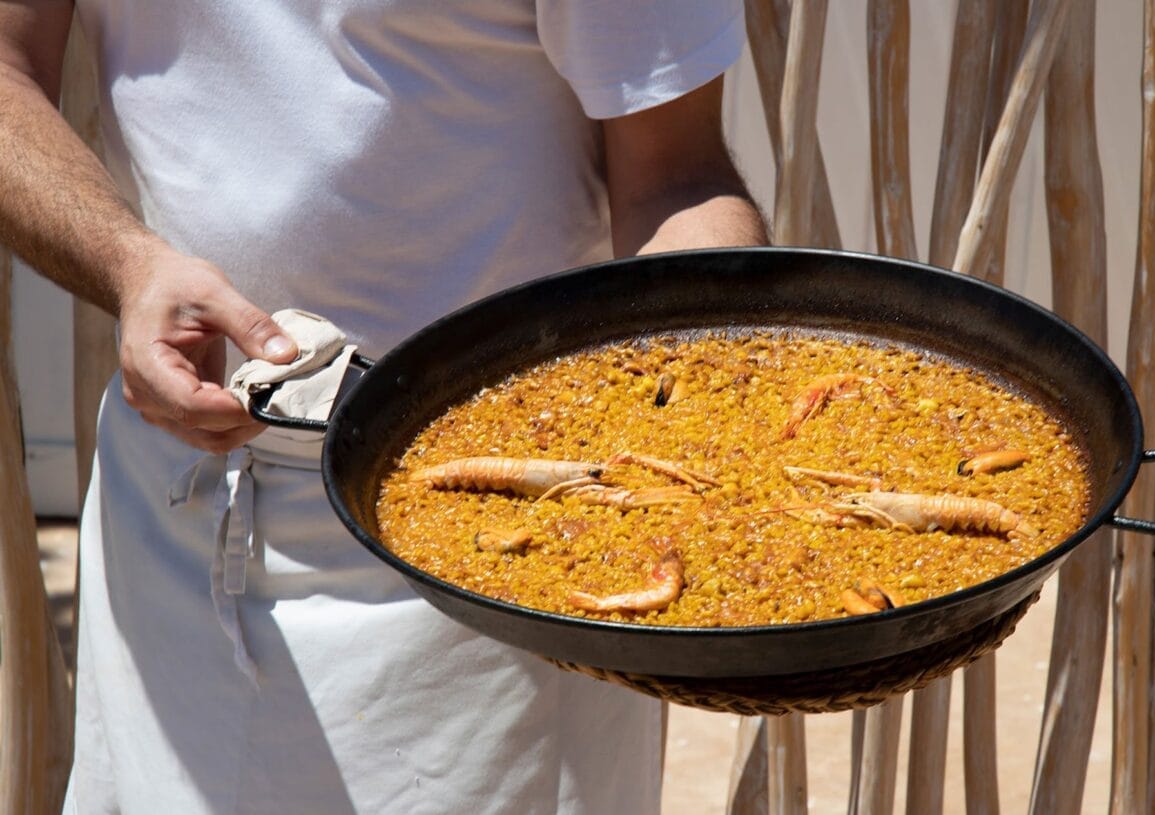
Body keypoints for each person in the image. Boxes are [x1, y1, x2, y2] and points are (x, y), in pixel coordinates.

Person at [0, 1, 768, 811]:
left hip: (518, 545)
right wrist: (129, 264)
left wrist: (707, 414)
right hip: (178, 518)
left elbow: (675, 176)